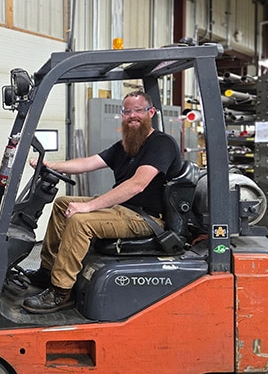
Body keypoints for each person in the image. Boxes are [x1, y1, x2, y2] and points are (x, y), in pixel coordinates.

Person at [23, 90, 183, 314]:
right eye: (127, 111)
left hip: (146, 218)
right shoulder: (126, 146)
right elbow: (88, 163)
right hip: (123, 209)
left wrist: (88, 207)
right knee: (62, 204)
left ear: (151, 112)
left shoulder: (161, 144)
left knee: (80, 221)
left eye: (138, 110)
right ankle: (47, 271)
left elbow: (137, 184)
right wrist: (50, 165)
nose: (132, 116)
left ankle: (61, 291)